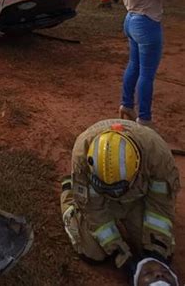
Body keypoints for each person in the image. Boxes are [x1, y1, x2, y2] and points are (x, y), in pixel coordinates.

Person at [61, 119, 180, 284]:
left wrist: (157, 250)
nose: (158, 274)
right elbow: (93, 211)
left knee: (158, 247)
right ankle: (69, 190)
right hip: (97, 199)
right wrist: (119, 253)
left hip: (136, 198)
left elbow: (160, 207)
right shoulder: (83, 153)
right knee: (92, 252)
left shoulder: (158, 156)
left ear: (137, 165)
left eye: (118, 189)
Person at [119, 0, 178, 125]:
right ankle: (144, 118)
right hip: (146, 24)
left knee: (134, 66)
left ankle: (126, 104)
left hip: (131, 20)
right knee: (147, 74)